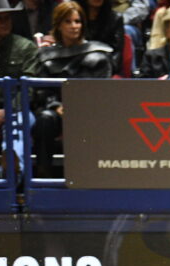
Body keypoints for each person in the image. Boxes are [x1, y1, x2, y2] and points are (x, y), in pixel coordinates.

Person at [33, 1, 113, 178]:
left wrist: (78, 108)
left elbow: (102, 93)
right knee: (45, 118)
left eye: (78, 21)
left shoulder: (99, 55)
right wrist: (56, 106)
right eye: (68, 21)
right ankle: (43, 173)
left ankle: (95, 176)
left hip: (89, 111)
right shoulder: (46, 57)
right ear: (58, 25)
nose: (74, 26)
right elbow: (42, 92)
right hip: (58, 110)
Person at [0, 0, 36, 179]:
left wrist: (6, 112)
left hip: (18, 109)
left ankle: (11, 170)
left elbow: (29, 89)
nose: (4, 22)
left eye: (7, 17)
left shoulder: (26, 48)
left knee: (18, 122)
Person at [76, 0, 125, 74]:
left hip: (105, 68)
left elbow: (116, 55)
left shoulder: (115, 18)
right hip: (76, 67)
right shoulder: (73, 18)